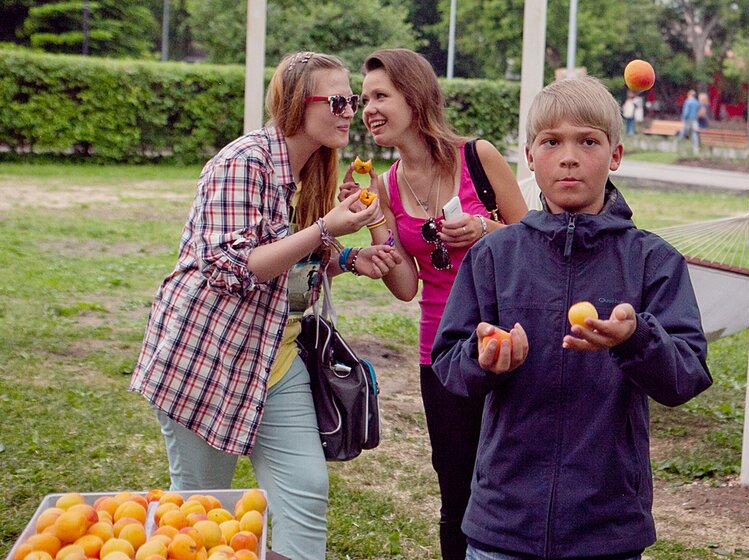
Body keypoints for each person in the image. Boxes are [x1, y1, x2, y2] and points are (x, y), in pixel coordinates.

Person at [129, 51, 401, 560]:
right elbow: (232, 269)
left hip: (277, 363)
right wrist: (325, 229)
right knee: (202, 514)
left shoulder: (313, 170)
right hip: (207, 360)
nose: (351, 111)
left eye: (354, 101)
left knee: (305, 489)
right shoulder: (244, 161)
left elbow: (288, 273)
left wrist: (346, 257)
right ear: (299, 104)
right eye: (339, 100)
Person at [432, 76, 713, 559]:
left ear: (616, 155)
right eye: (551, 142)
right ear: (529, 157)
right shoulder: (495, 255)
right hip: (504, 523)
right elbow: (447, 366)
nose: (568, 157)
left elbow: (686, 376)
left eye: (587, 141)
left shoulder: (653, 261)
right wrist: (486, 360)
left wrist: (635, 338)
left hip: (606, 525)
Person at [339, 48, 528, 559]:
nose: (368, 109)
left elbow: (533, 241)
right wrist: (375, 218)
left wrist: (484, 229)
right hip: (440, 351)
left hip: (507, 341)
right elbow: (406, 286)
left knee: (516, 479)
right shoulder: (384, 184)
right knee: (456, 491)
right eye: (365, 99)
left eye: (381, 96)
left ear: (415, 97)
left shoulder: (477, 158)